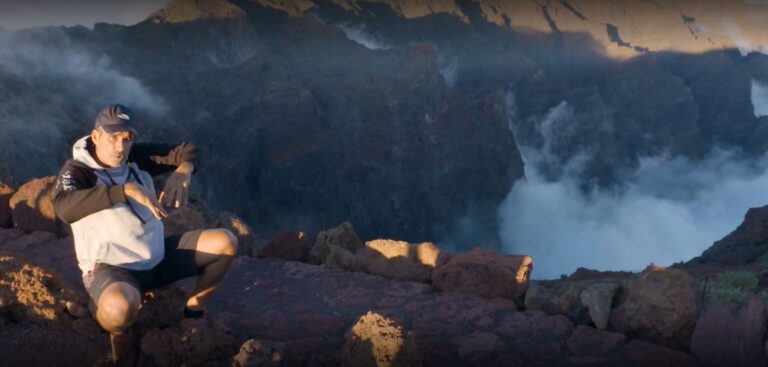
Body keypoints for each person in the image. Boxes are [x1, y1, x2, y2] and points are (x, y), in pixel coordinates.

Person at [53, 104, 238, 365]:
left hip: (156, 257)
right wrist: (124, 190)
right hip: (115, 269)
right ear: (95, 136)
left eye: (126, 138)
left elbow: (190, 149)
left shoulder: (135, 157)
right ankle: (117, 330)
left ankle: (193, 311)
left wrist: (184, 168)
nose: (120, 147)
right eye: (112, 137)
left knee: (226, 242)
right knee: (117, 309)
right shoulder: (78, 172)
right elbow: (63, 207)